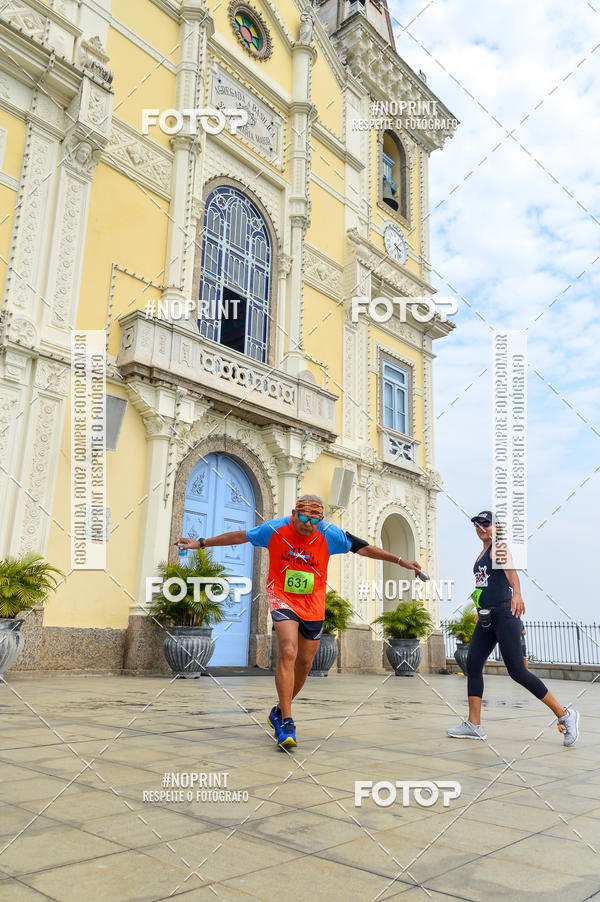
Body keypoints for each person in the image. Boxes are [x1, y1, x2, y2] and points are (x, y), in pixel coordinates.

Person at [177, 494, 423, 750]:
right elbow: (241, 536)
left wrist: (400, 561)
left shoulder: (329, 533)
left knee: (305, 663)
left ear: (321, 520)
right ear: (294, 513)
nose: (308, 524)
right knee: (288, 650)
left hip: (313, 603)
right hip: (281, 596)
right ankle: (286, 721)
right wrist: (201, 543)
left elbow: (363, 547)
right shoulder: (274, 529)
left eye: (314, 520)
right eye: (303, 518)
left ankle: (279, 709)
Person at [447, 510, 579, 746]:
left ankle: (565, 715)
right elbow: (484, 586)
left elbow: (511, 573)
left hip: (506, 613)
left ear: (496, 527)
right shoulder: (482, 553)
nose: (481, 528)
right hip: (487, 616)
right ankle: (474, 725)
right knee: (473, 663)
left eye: (486, 524)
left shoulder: (499, 547)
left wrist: (517, 594)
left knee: (517, 671)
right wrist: (480, 610)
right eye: (477, 524)